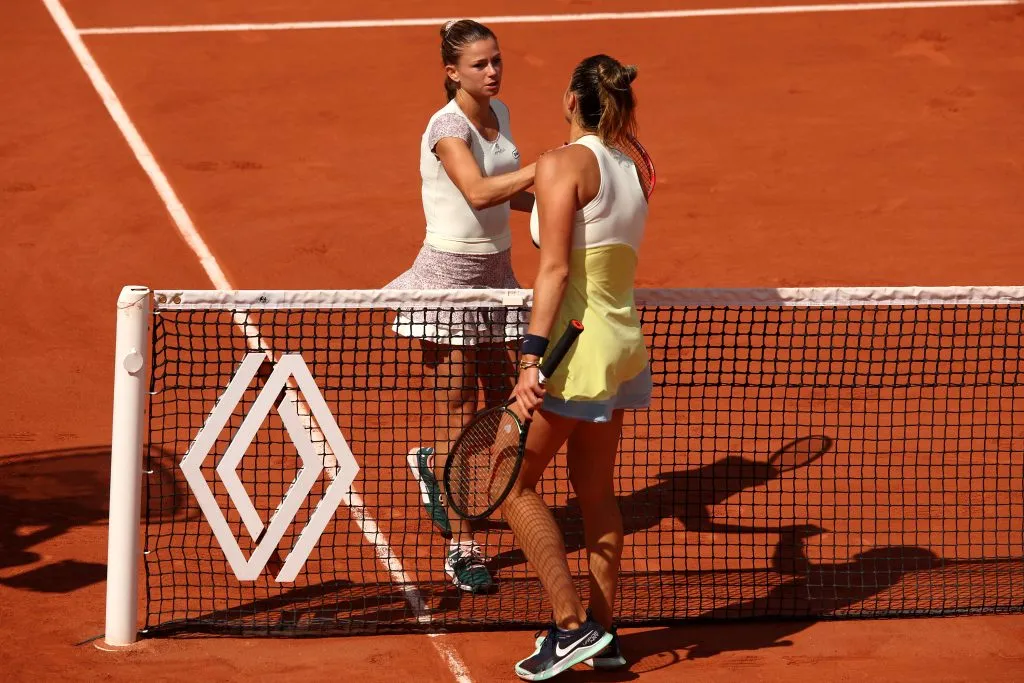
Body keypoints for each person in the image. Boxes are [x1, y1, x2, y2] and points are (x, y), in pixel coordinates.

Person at [503, 54, 652, 680]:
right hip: (622, 347)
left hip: (574, 351)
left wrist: (530, 360)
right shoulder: (633, 169)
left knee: (508, 482)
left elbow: (557, 269)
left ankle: (570, 628)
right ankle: (606, 633)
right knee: (595, 492)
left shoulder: (563, 164)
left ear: (570, 100)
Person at [384, 19, 536, 594]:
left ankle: (434, 467)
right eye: (480, 64)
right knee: (458, 404)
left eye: (497, 60)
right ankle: (463, 545)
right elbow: (476, 191)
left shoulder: (501, 113)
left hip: (497, 273)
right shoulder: (447, 129)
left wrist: (565, 200)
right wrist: (550, 169)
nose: (493, 72)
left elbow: (506, 195)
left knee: (504, 403)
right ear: (452, 72)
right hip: (448, 280)